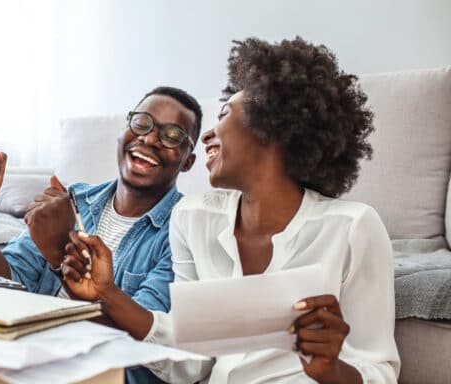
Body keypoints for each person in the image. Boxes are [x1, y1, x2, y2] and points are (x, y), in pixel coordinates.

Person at [63, 37, 400, 383]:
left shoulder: (353, 227)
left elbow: (379, 371)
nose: (208, 134)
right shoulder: (193, 219)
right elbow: (190, 360)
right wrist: (107, 293)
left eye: (224, 114)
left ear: (272, 128)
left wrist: (332, 370)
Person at [0, 86, 202, 383]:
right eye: (142, 123)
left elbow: (142, 338)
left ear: (188, 161)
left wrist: (58, 255)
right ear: (124, 131)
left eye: (172, 136)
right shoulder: (73, 200)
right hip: (26, 366)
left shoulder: (185, 228)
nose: (150, 138)